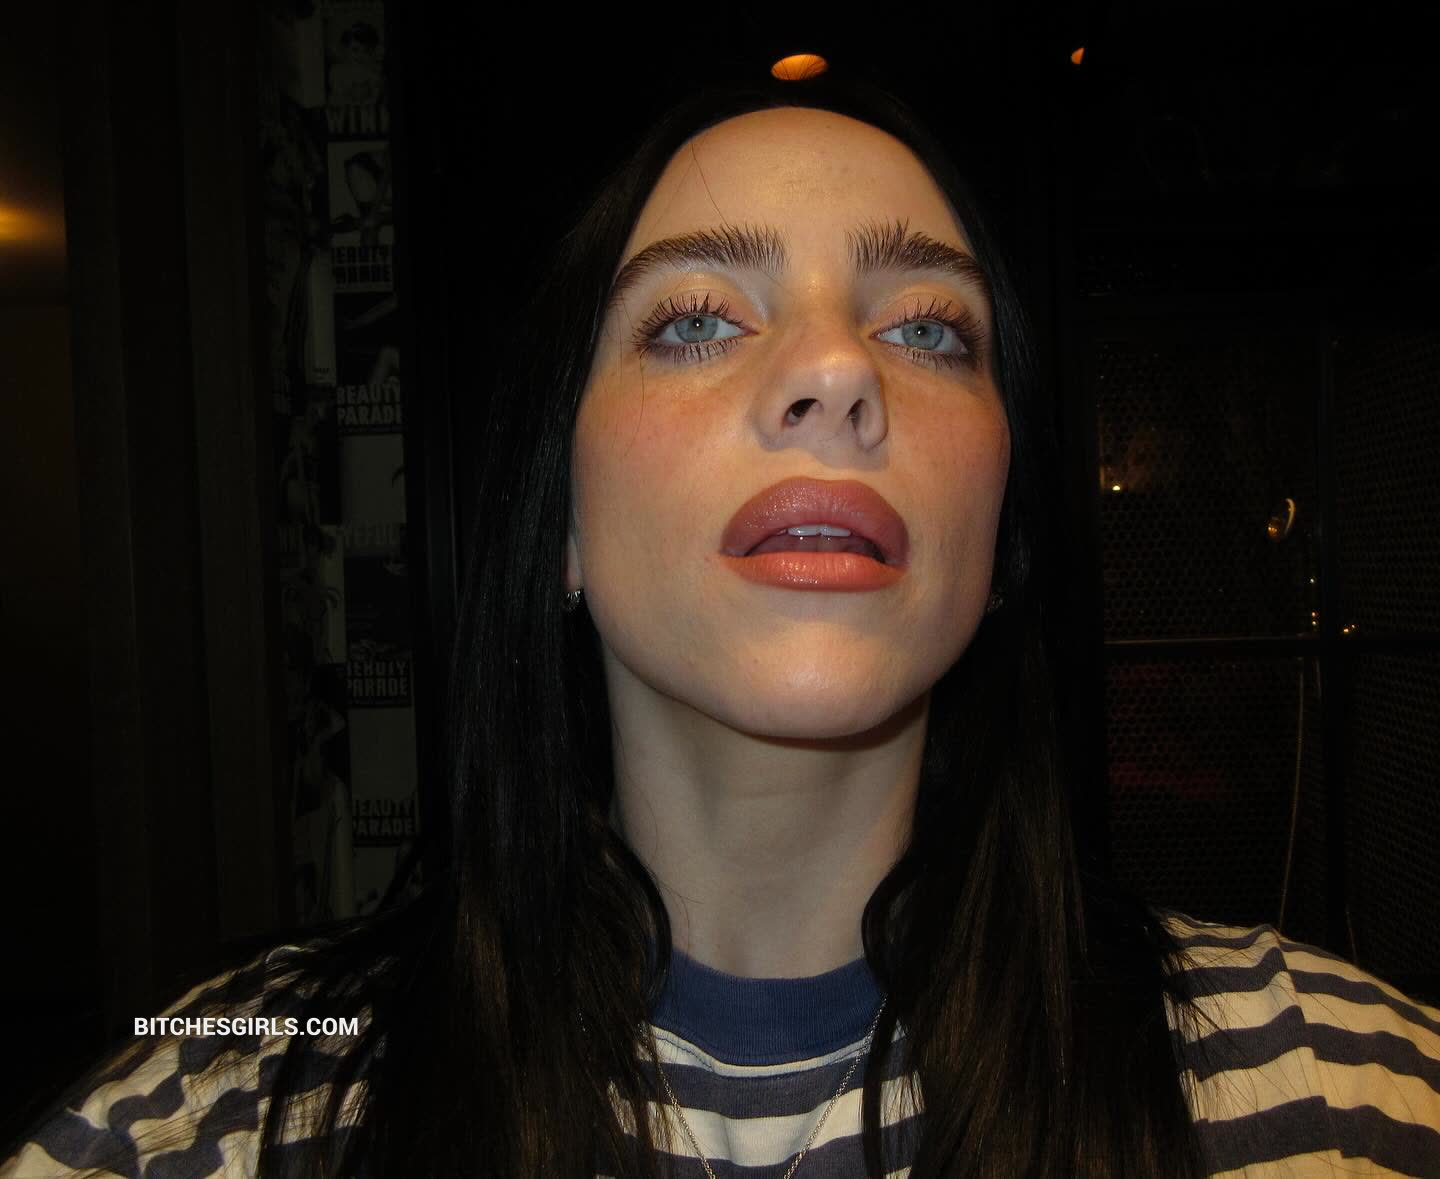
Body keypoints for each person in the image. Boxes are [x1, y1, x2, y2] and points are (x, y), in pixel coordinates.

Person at [4, 73, 1439, 1179]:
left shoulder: (1345, 1097)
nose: (836, 370)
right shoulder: (226, 1098)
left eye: (928, 328)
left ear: (1000, 537)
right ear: (559, 524)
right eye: (694, 318)